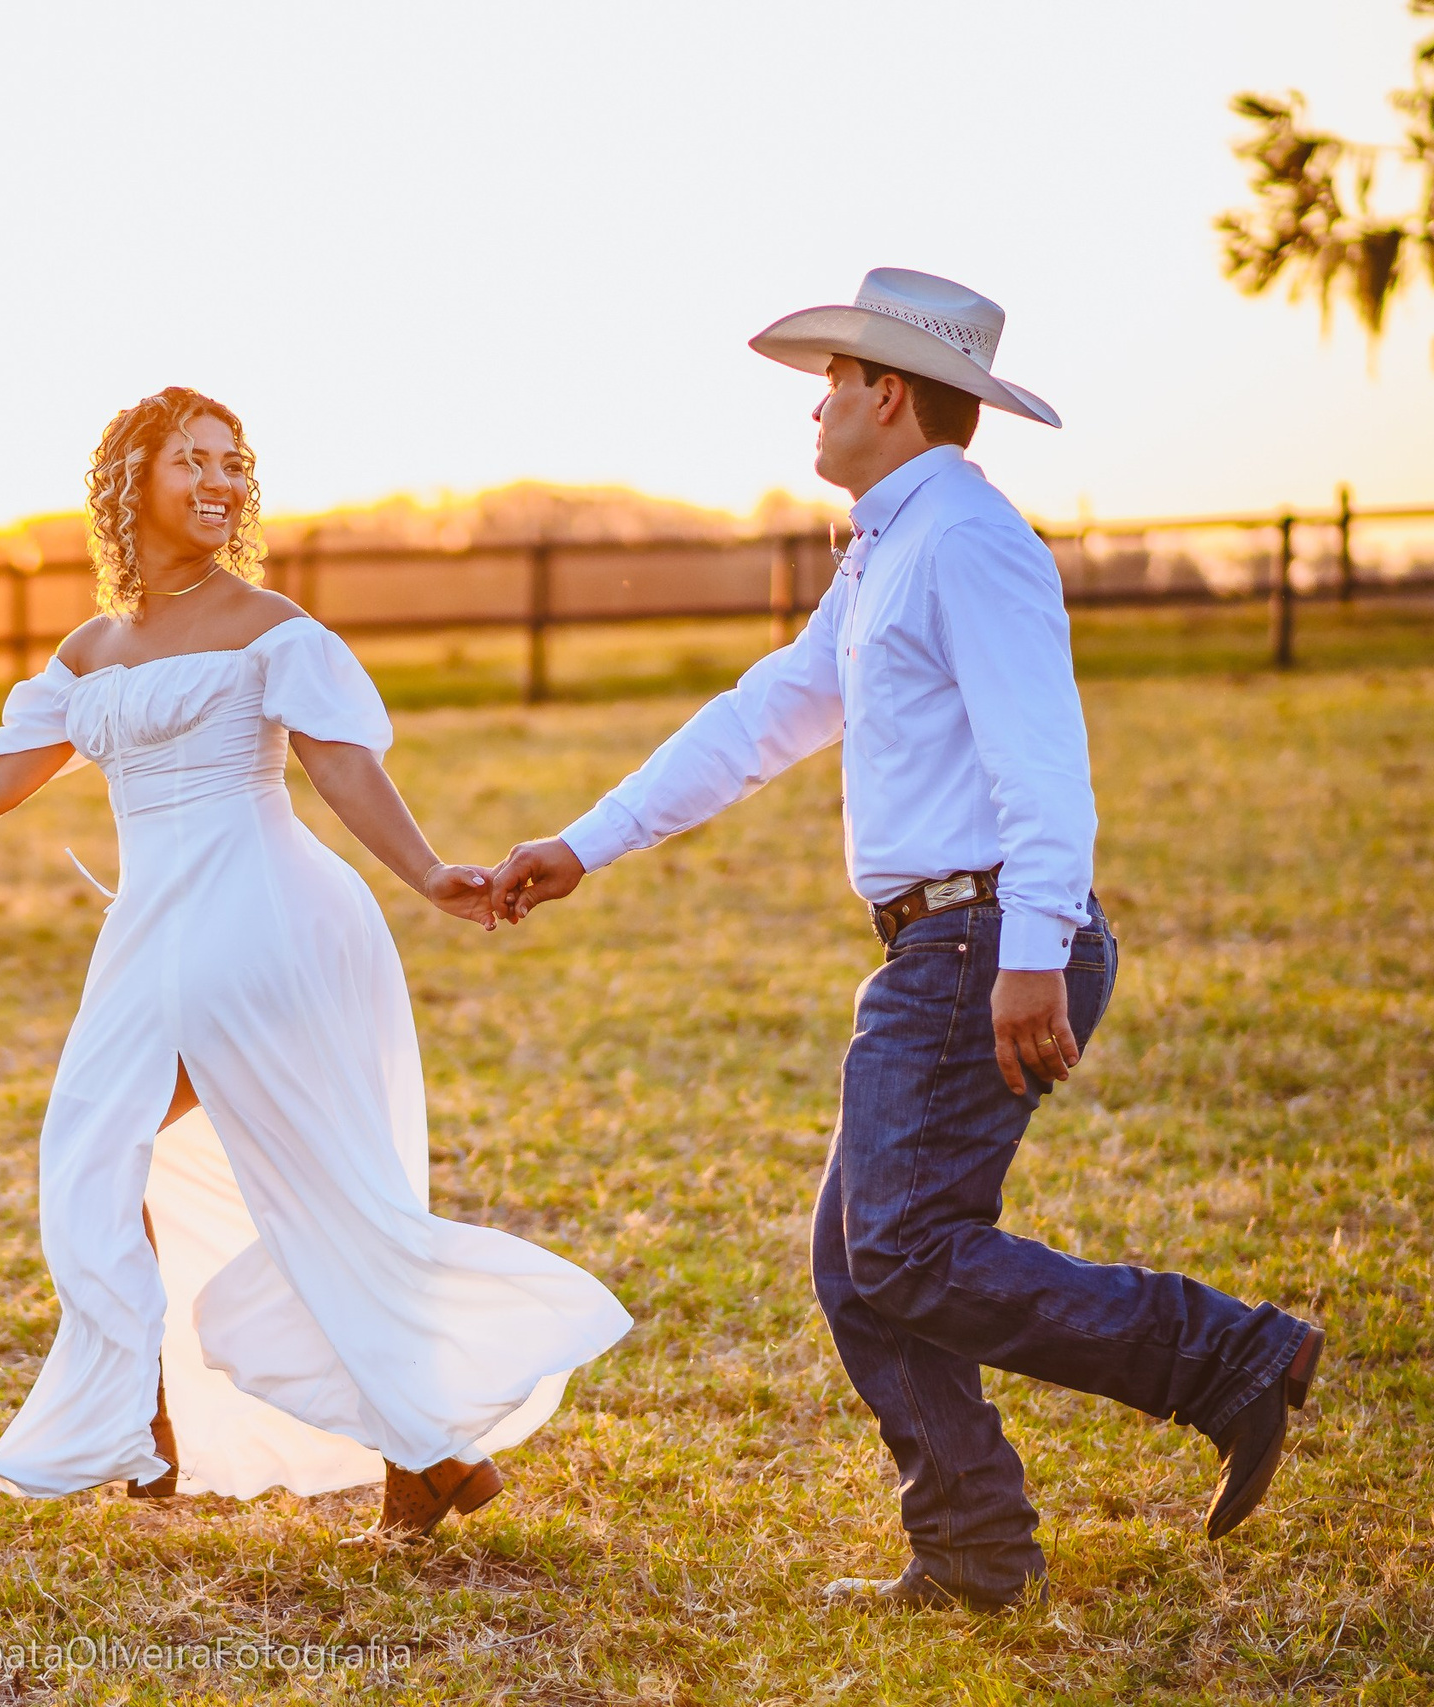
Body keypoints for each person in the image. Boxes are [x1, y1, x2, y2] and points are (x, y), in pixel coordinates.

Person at [487, 270, 1324, 1610]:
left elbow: (1044, 763)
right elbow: (766, 714)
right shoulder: (891, 547)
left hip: (980, 940)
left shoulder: (967, 540)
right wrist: (583, 843)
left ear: (888, 392)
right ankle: (977, 1548)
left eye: (832, 379)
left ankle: (1224, 1353)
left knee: (906, 1249)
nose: (813, 404)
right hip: (946, 940)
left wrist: (1034, 951)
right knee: (866, 1257)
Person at [0, 387, 630, 1536]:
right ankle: (155, 1408)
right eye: (190, 464)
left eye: (232, 464)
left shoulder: (272, 627)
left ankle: (411, 1451)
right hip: (153, 927)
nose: (218, 484)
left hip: (266, 918)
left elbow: (341, 765)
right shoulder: (89, 649)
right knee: (89, 1153)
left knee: (318, 1193)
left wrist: (426, 875)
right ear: (130, 484)